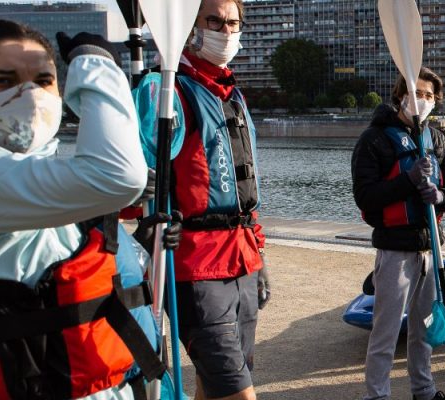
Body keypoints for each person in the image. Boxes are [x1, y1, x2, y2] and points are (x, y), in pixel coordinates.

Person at [0, 18, 157, 399]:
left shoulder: (47, 169)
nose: (30, 96)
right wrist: (97, 63)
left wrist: (139, 243)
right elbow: (117, 176)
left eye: (42, 81)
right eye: (2, 81)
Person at [130, 1, 269, 398]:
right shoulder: (165, 92)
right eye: (214, 20)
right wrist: (150, 216)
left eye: (233, 23)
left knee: (214, 384)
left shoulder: (234, 97)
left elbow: (247, 194)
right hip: (194, 264)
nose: (225, 31)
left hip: (242, 258)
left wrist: (260, 256)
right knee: (236, 390)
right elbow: (131, 182)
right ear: (190, 27)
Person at [352, 67, 445, 400]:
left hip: (431, 249)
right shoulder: (374, 139)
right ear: (400, 96)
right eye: (417, 94)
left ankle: (424, 390)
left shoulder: (437, 138)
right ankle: (377, 395)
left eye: (429, 95)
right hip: (395, 250)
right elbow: (366, 197)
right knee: (385, 333)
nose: (423, 101)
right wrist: (409, 180)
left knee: (424, 330)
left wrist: (442, 197)